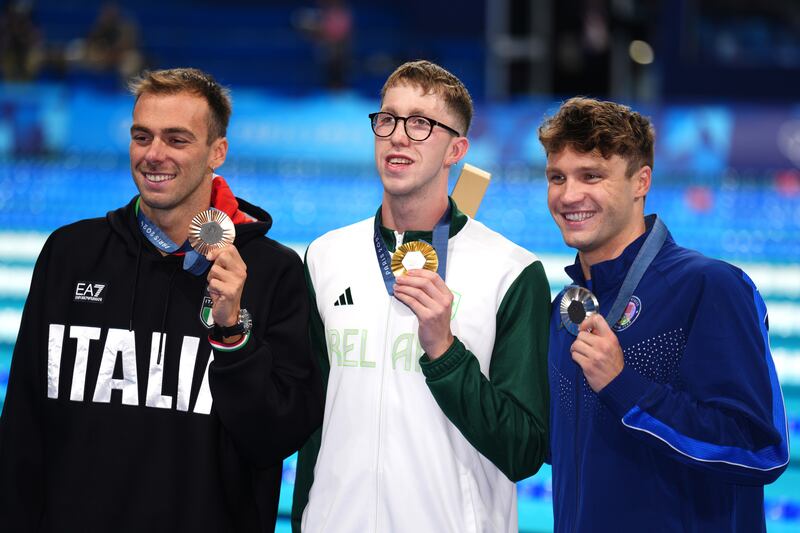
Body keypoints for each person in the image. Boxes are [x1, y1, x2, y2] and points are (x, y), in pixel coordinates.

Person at [0, 67, 323, 532]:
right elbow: (22, 430)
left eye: (176, 139)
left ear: (218, 152)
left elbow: (275, 438)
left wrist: (232, 336)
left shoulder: (271, 273)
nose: (154, 155)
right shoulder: (70, 255)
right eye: (142, 136)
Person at [291, 60, 551, 533]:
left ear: (457, 149)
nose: (398, 136)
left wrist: (445, 352)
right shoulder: (326, 256)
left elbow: (525, 450)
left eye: (420, 124)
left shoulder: (512, 273)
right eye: (387, 119)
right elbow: (313, 424)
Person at [539, 96, 789, 532]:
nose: (568, 194)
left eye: (591, 176)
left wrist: (624, 386)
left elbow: (759, 450)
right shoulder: (568, 309)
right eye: (557, 177)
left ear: (641, 182)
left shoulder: (710, 286)